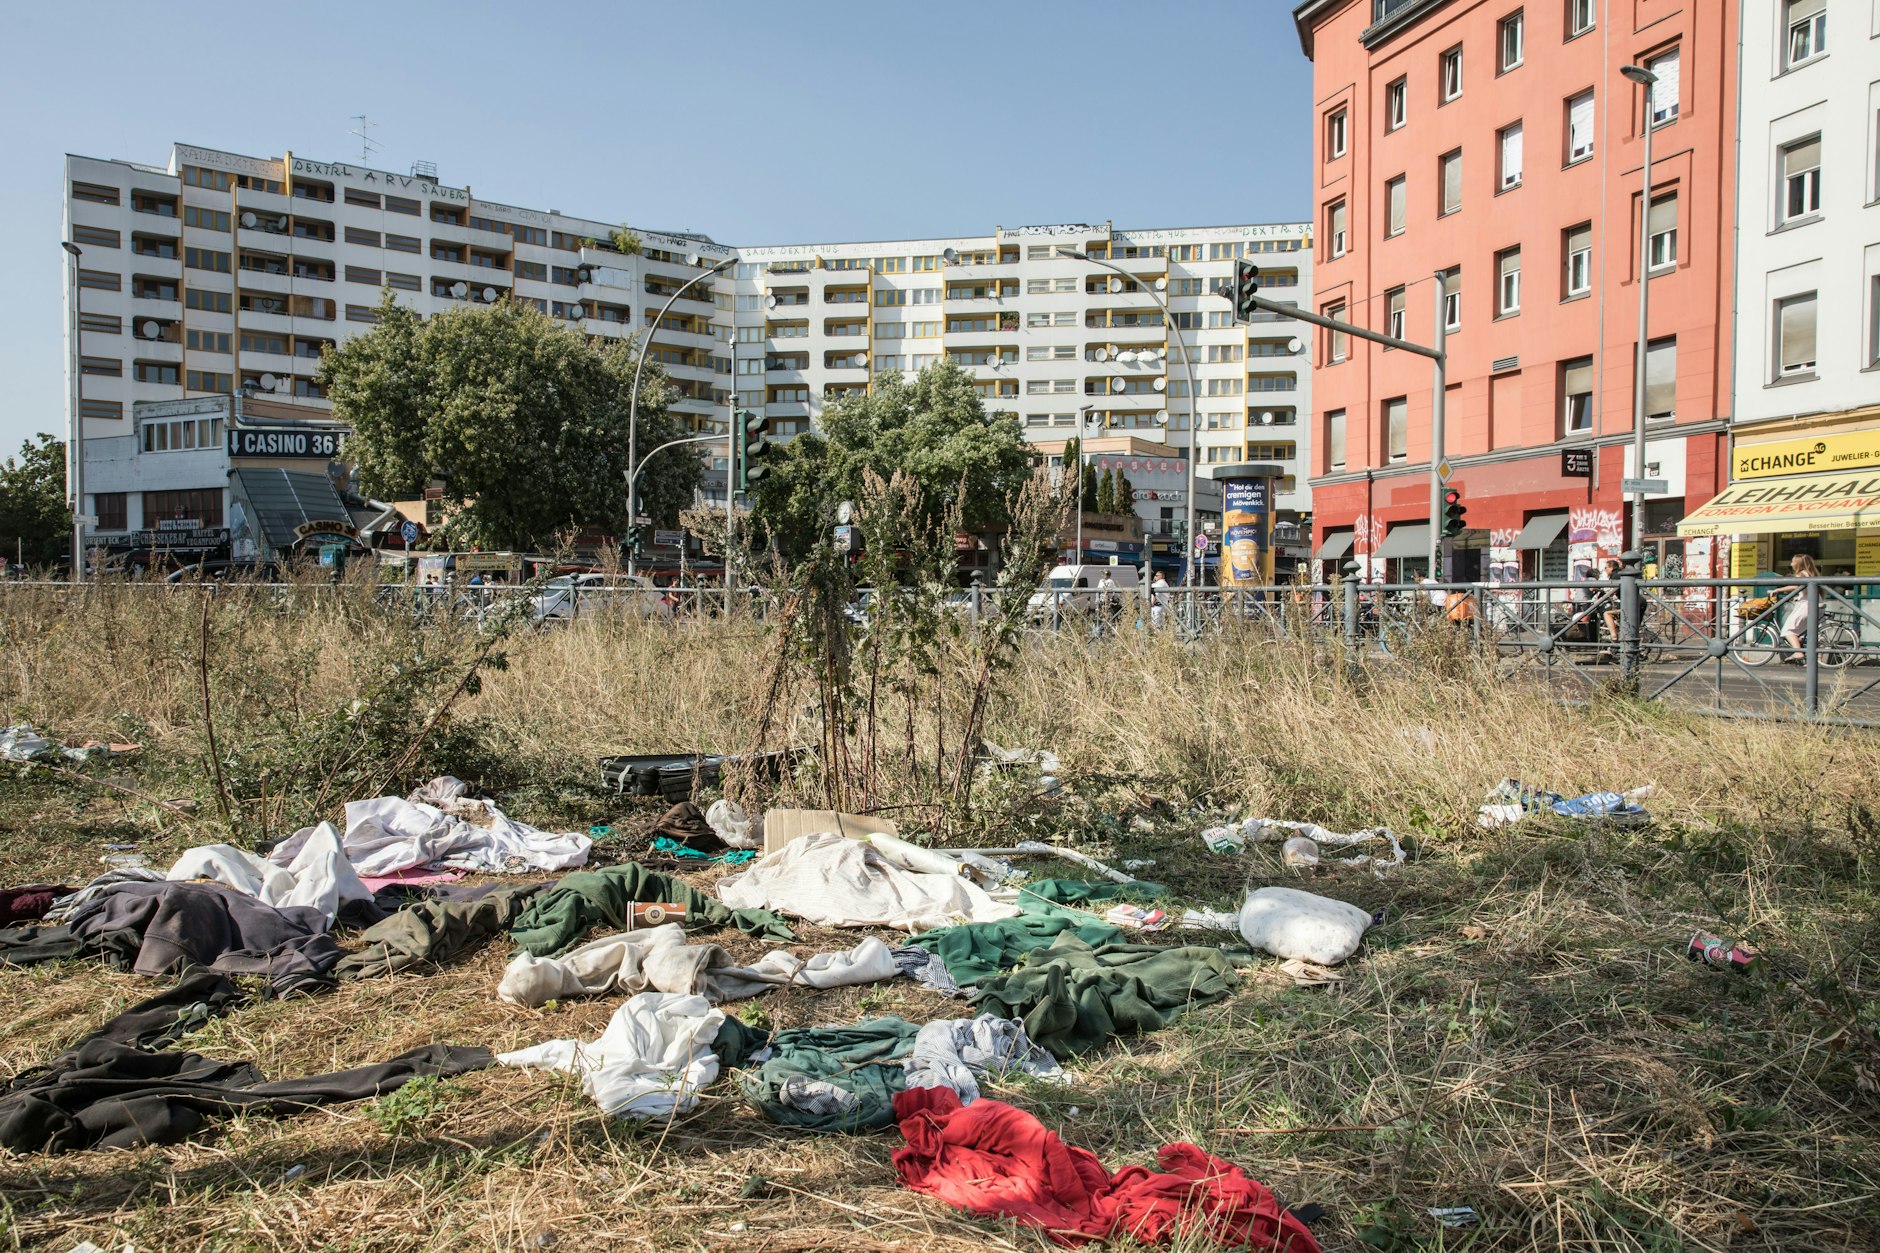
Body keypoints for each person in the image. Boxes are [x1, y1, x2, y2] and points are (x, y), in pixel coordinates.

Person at [1778, 552, 1820, 661]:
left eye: (1793, 562)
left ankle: (1798, 652)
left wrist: (1778, 590)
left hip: (1806, 607)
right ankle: (1814, 661)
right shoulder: (1811, 574)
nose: (1791, 564)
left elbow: (1795, 586)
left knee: (1788, 630)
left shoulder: (1801, 574)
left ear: (1798, 564)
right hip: (1815, 605)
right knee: (1810, 632)